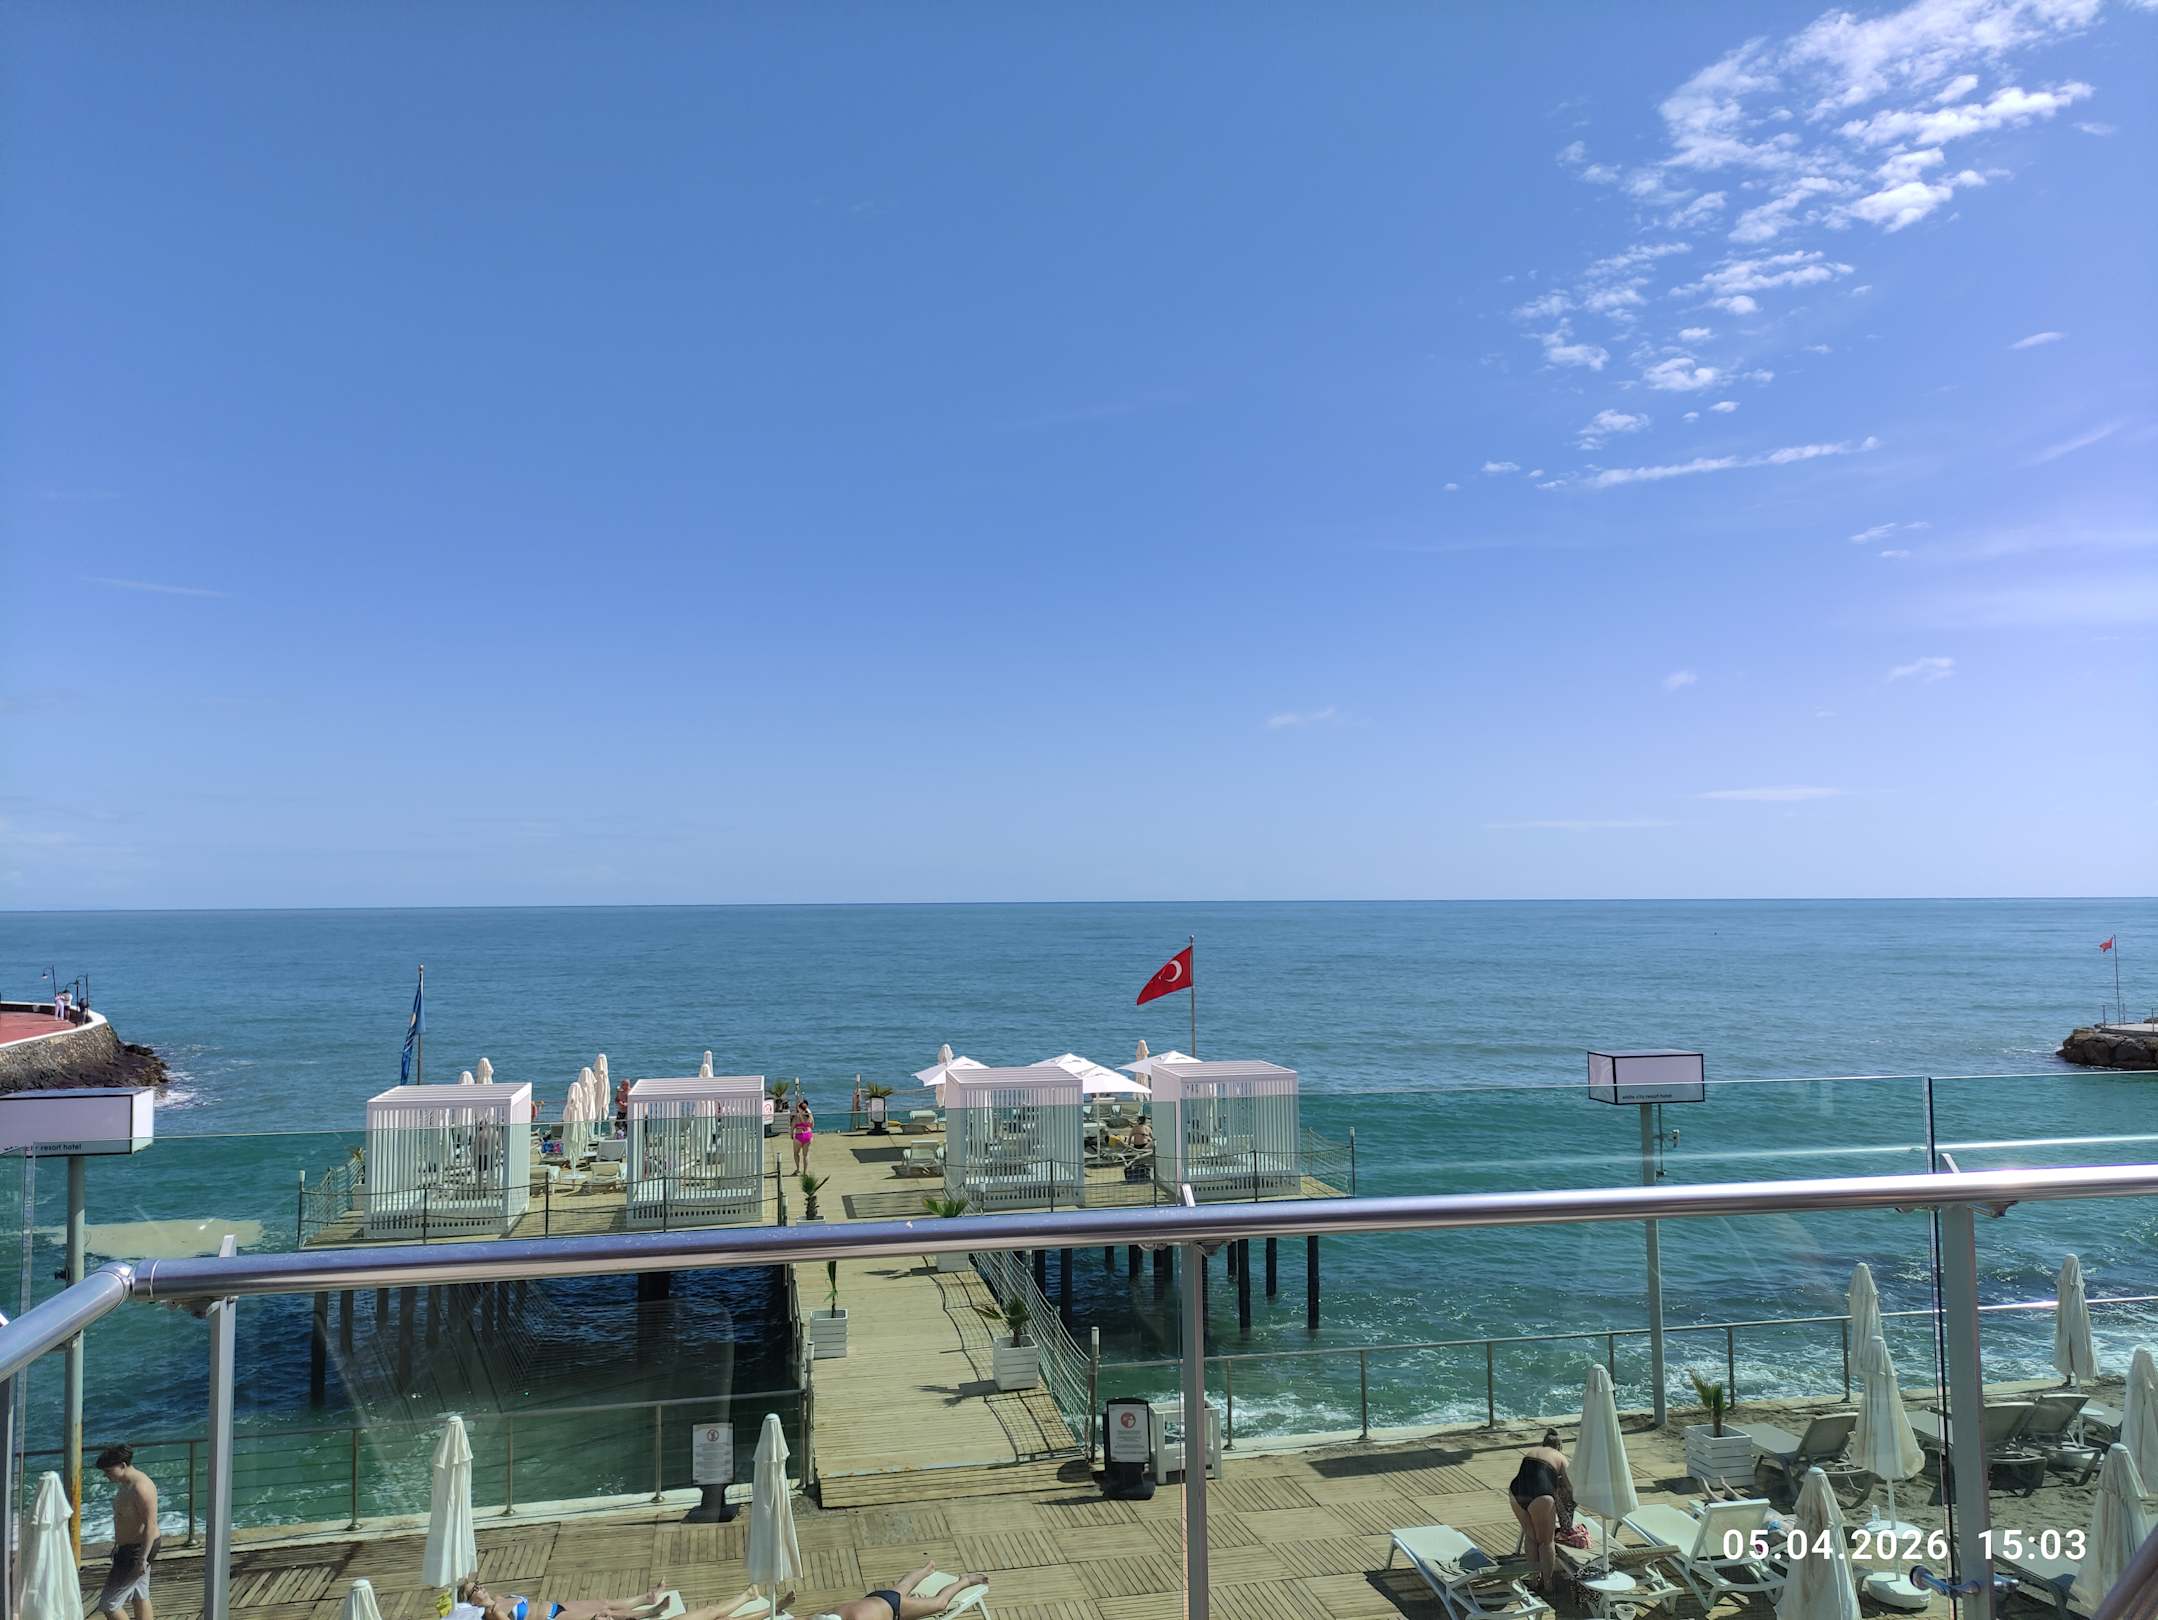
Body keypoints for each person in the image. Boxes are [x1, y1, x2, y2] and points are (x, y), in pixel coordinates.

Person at [93, 1444, 159, 1620]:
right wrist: (118, 1545)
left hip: (137, 1550)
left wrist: (142, 1558)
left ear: (122, 1465)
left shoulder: (140, 1487)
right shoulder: (126, 1483)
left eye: (108, 1471)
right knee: (140, 1594)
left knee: (109, 1604)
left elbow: (151, 1524)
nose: (106, 1475)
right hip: (130, 1548)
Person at [1506, 1429, 1576, 1592]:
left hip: (1516, 1492)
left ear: (1543, 1443)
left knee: (1531, 1536)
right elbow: (1570, 1487)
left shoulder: (1532, 1451)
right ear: (1559, 1446)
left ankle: (1533, 1580)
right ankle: (1548, 1584)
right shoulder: (1560, 1457)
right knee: (1546, 1542)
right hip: (1541, 1495)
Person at [812, 1565, 989, 1620]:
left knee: (940, 1603)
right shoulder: (827, 1614)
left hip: (896, 1608)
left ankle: (965, 1580)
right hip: (877, 1598)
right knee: (903, 1586)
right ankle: (926, 1570)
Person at [790, 1098, 815, 1174]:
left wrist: (791, 1135)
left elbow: (792, 1127)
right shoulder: (810, 1116)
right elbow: (812, 1126)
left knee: (796, 1153)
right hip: (808, 1135)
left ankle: (798, 1169)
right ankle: (805, 1172)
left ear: (800, 1109)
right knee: (806, 1155)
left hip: (799, 1135)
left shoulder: (797, 1117)